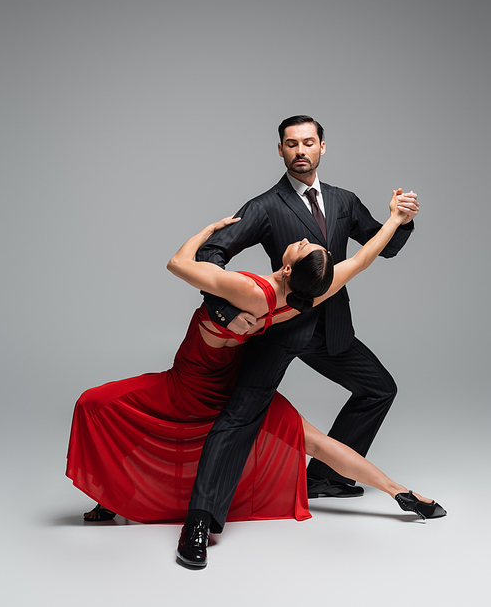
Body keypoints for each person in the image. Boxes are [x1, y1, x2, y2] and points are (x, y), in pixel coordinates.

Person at [66, 193, 445, 571]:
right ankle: (404, 494)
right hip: (235, 385)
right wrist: (394, 219)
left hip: (190, 385)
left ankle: (121, 499)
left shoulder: (250, 290)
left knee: (93, 404)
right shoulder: (307, 297)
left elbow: (177, 263)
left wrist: (207, 231)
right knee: (317, 442)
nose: (301, 240)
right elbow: (362, 260)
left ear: (285, 269)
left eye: (302, 246)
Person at [178, 115, 421, 565]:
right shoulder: (265, 206)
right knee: (238, 419)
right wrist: (233, 311)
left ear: (323, 147)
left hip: (332, 330)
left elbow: (379, 246)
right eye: (291, 144)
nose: (301, 150)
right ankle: (199, 522)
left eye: (309, 142)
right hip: (278, 330)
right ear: (281, 151)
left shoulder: (344, 200)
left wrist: (401, 220)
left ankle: (325, 478)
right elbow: (212, 254)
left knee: (379, 388)